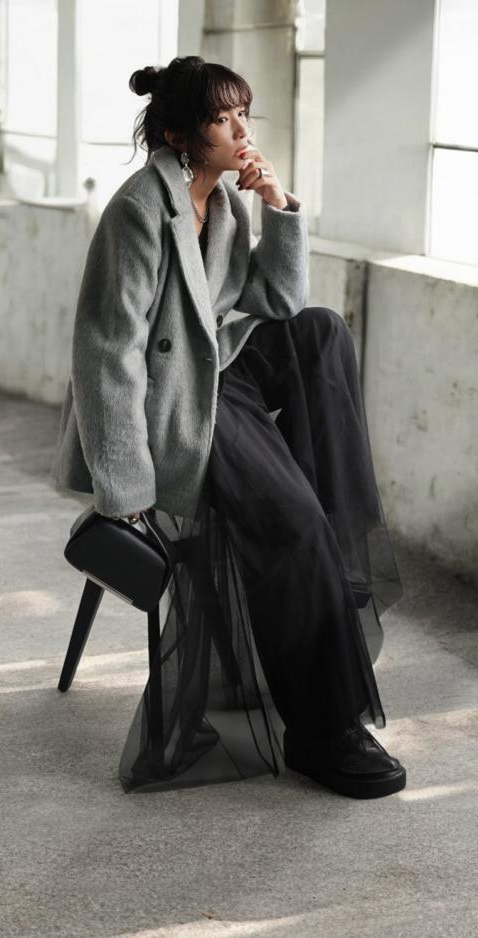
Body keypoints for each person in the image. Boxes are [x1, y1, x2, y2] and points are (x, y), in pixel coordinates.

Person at [53, 56, 406, 799]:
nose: (243, 129)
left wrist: (279, 207)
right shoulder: (138, 211)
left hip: (218, 370)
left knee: (320, 329)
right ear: (181, 136)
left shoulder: (223, 201)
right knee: (295, 525)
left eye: (245, 112)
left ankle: (323, 522)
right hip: (173, 405)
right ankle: (322, 732)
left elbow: (276, 302)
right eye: (223, 118)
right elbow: (106, 353)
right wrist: (127, 488)